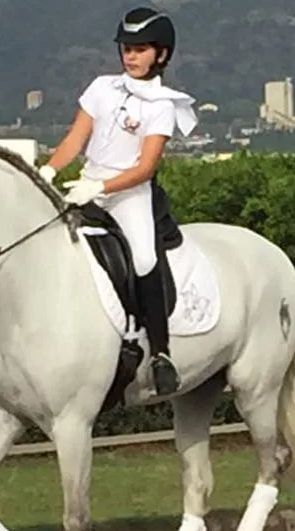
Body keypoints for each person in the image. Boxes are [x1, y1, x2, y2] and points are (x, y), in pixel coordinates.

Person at [38, 6, 198, 397]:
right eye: (127, 48)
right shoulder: (101, 88)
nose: (131, 56)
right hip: (85, 182)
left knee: (143, 258)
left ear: (161, 54)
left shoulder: (161, 106)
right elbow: (75, 139)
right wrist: (48, 171)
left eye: (140, 49)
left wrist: (102, 187)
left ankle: (159, 352)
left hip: (129, 194)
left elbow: (145, 167)